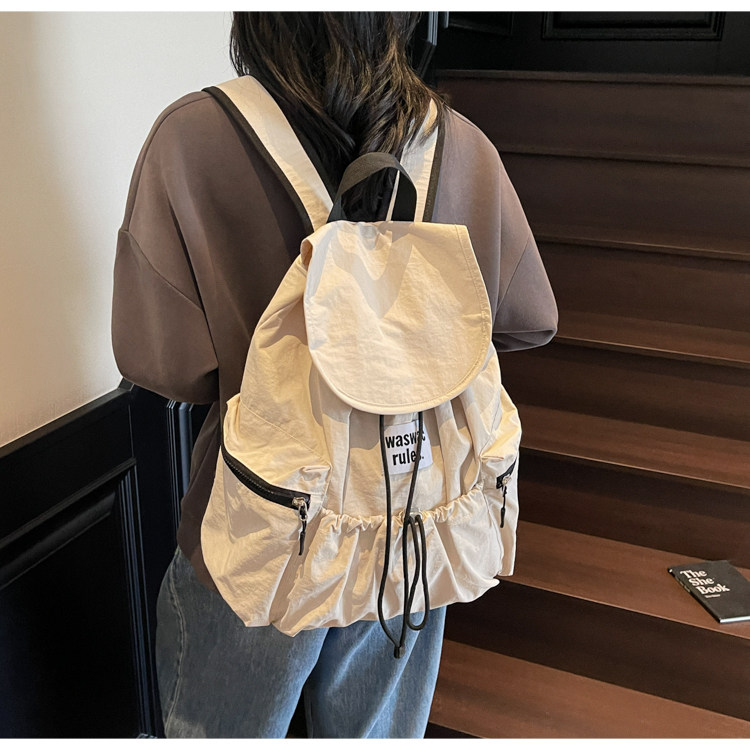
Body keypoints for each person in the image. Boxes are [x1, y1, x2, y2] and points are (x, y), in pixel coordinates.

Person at [111, 11, 557, 739]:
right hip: (411, 522)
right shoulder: (462, 147)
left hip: (261, 525)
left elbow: (165, 365)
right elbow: (529, 319)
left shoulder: (191, 139)